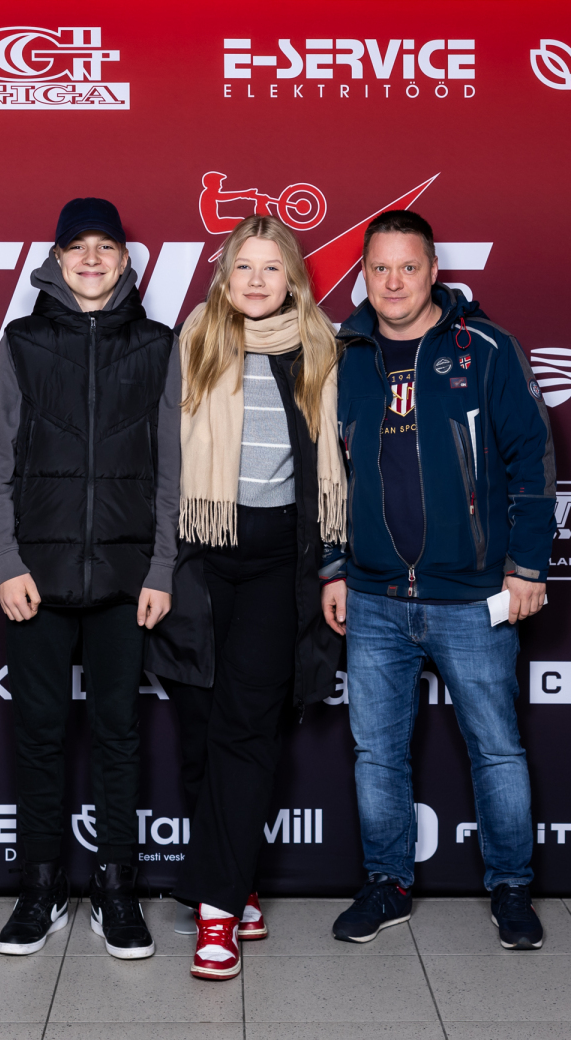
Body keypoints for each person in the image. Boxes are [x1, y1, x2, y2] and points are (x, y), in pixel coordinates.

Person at [322, 209, 554, 950]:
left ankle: (511, 888)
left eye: (408, 266)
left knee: (497, 749)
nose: (393, 282)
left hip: (473, 596)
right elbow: (326, 475)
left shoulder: (484, 348)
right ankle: (386, 883)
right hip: (373, 595)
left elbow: (532, 459)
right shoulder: (341, 355)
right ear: (364, 274)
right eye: (379, 268)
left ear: (433, 272)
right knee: (377, 754)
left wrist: (527, 566)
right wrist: (332, 567)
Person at [0, 198, 174, 960]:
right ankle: (42, 886)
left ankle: (117, 889)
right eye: (78, 247)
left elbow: (172, 473)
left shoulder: (157, 345)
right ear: (56, 261)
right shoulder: (23, 343)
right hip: (37, 579)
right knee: (39, 736)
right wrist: (6, 563)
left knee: (120, 736)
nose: (92, 259)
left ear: (125, 261)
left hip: (126, 579)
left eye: (105, 247)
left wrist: (161, 567)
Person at [147, 215, 346, 980]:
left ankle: (218, 912)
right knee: (201, 731)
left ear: (292, 279)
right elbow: (162, 466)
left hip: (277, 561)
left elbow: (341, 471)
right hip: (198, 555)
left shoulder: (320, 348)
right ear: (223, 278)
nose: (257, 281)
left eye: (271, 268)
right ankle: (239, 878)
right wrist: (158, 570)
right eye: (244, 268)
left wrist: (335, 567)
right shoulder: (193, 342)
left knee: (246, 730)